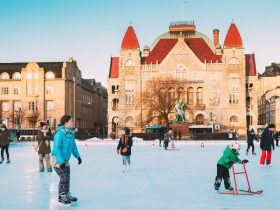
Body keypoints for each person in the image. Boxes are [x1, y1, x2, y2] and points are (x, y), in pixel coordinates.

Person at [52, 115, 82, 206]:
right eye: (71, 121)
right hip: (57, 159)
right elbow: (56, 148)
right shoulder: (59, 133)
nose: (72, 123)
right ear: (66, 123)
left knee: (67, 177)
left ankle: (67, 193)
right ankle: (62, 196)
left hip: (65, 159)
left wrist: (78, 157)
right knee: (64, 177)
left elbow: (73, 147)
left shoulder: (71, 134)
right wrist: (61, 162)